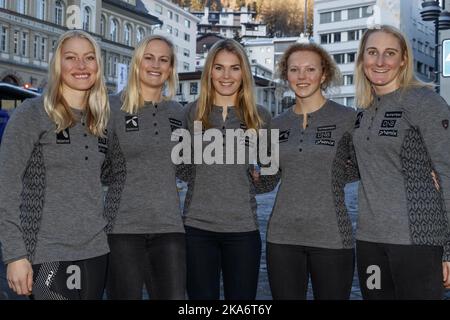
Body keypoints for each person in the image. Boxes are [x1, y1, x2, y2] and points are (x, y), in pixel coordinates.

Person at [0, 30, 111, 300]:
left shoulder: (101, 122)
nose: (81, 66)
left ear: (98, 65)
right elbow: (6, 186)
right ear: (57, 65)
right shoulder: (33, 113)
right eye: (70, 57)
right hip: (47, 253)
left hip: (96, 252)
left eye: (89, 58)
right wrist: (15, 254)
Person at [352, 25, 450, 299]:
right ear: (362, 59)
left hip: (417, 241)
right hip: (370, 242)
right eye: (373, 52)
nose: (380, 61)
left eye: (390, 53)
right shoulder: (363, 111)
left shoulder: (424, 102)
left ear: (404, 59)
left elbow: (448, 172)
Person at [258, 43, 358, 300]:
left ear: (323, 74)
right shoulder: (276, 124)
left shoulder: (348, 118)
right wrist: (234, 174)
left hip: (333, 237)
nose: (302, 76)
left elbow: (368, 164)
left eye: (310, 69)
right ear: (286, 75)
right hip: (282, 238)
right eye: (294, 70)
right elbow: (268, 180)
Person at [183, 39, 272, 300]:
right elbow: (181, 166)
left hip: (243, 231)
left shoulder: (261, 116)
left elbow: (270, 173)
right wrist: (205, 179)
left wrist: (258, 178)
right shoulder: (191, 113)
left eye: (234, 68)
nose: (226, 76)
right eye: (219, 67)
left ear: (244, 73)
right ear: (209, 71)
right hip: (197, 229)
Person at [103, 35, 186, 300]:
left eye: (163, 60)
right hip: (123, 229)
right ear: (137, 62)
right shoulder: (112, 107)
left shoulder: (179, 113)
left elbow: (186, 165)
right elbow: (100, 166)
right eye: (149, 57)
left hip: (169, 229)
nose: (156, 65)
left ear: (171, 68)